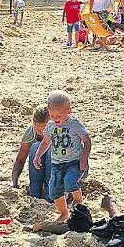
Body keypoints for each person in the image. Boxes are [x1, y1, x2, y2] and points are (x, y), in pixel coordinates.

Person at [33, 90, 91, 223]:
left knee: (71, 182)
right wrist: (38, 155)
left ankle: (78, 205)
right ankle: (64, 213)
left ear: (69, 111)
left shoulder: (75, 124)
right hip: (57, 164)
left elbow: (87, 140)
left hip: (74, 162)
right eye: (52, 115)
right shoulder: (51, 125)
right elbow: (46, 142)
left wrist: (84, 158)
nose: (56, 118)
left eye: (59, 115)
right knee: (54, 190)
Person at [11, 104, 53, 200]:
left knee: (51, 150)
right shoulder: (30, 132)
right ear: (33, 124)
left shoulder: (59, 129)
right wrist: (14, 181)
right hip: (39, 166)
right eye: (39, 130)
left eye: (45, 129)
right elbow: (20, 160)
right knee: (35, 147)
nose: (42, 133)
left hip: (60, 170)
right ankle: (35, 192)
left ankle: (50, 193)